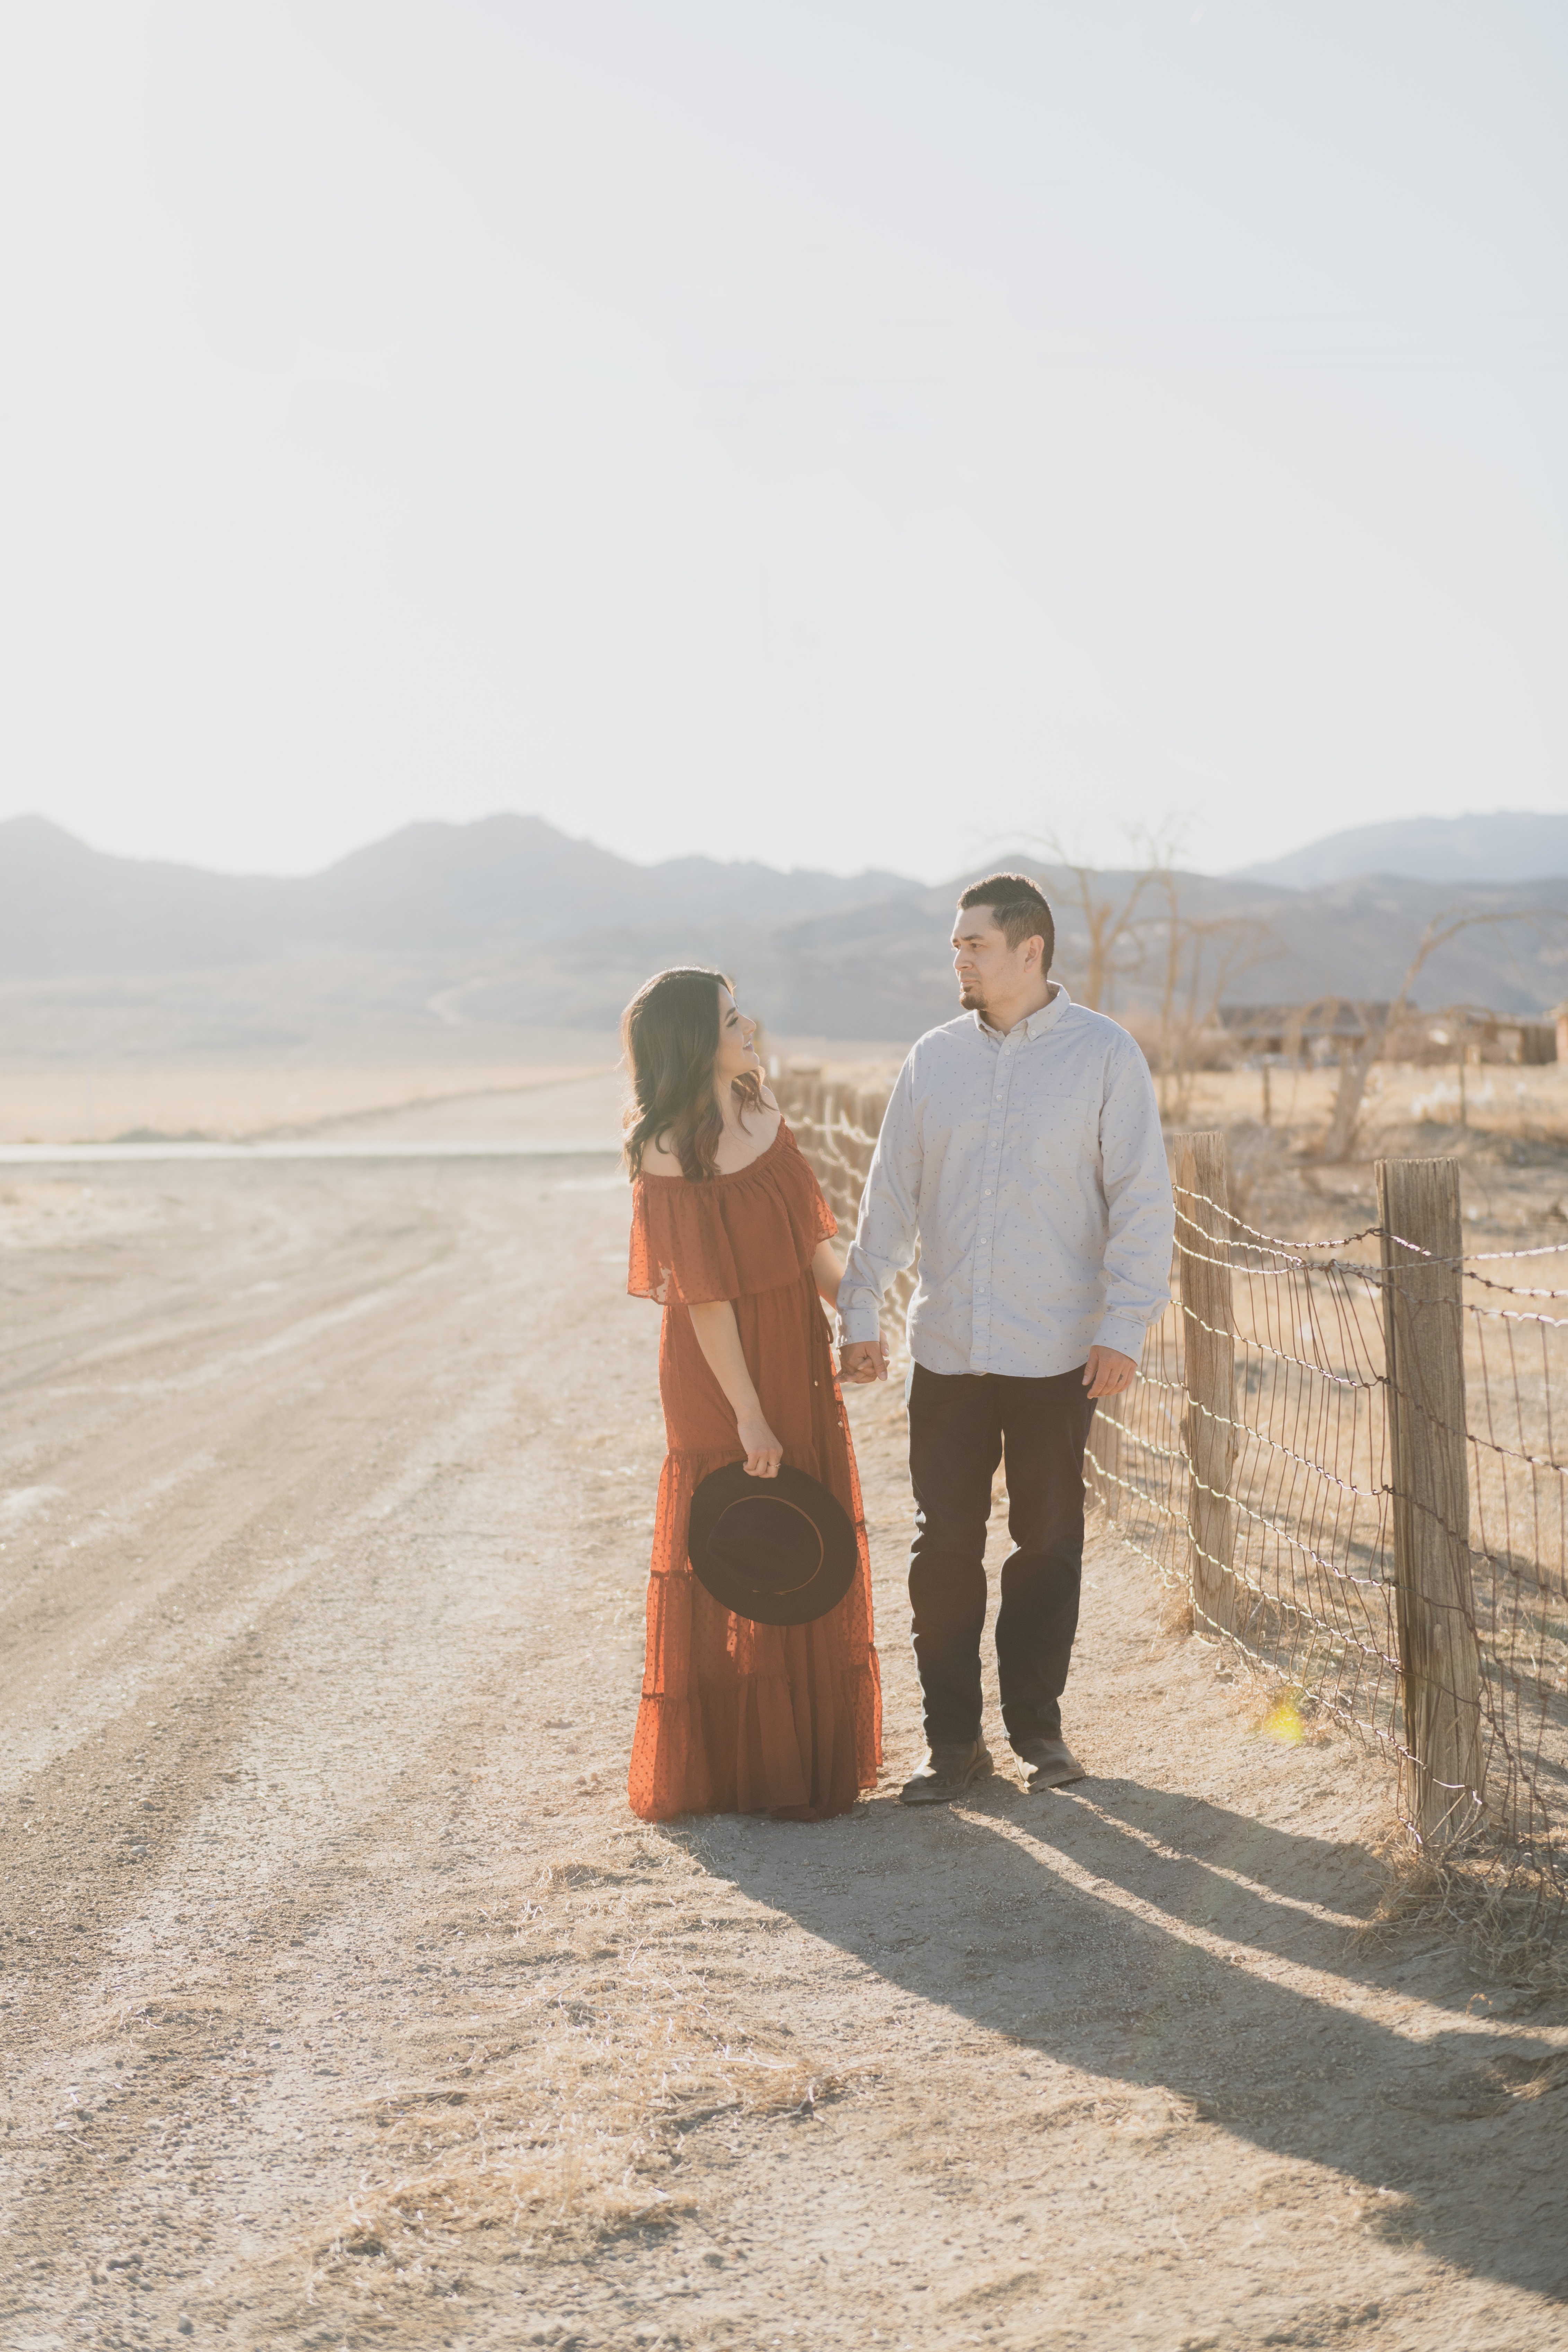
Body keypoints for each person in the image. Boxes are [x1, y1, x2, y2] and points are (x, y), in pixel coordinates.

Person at [837, 874, 1174, 1803]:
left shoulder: (1104, 1056)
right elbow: (890, 1197)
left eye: (972, 943)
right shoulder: (932, 1058)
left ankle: (1038, 1735)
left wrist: (1122, 1323)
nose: (957, 958)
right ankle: (951, 1748)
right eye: (954, 944)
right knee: (940, 1549)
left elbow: (1142, 1201)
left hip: (1055, 1352)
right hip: (945, 1348)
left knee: (1046, 1545)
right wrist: (859, 1310)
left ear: (1029, 950)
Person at [622, 966, 883, 1822]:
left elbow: (810, 1246)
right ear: (697, 1040)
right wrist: (747, 1413)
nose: (750, 1027)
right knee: (734, 1539)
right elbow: (704, 1299)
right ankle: (731, 1765)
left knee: (803, 1534)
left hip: (793, 1350)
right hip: (720, 1369)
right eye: (733, 1019)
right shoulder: (665, 1147)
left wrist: (858, 1318)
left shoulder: (764, 1115)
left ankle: (803, 1759)